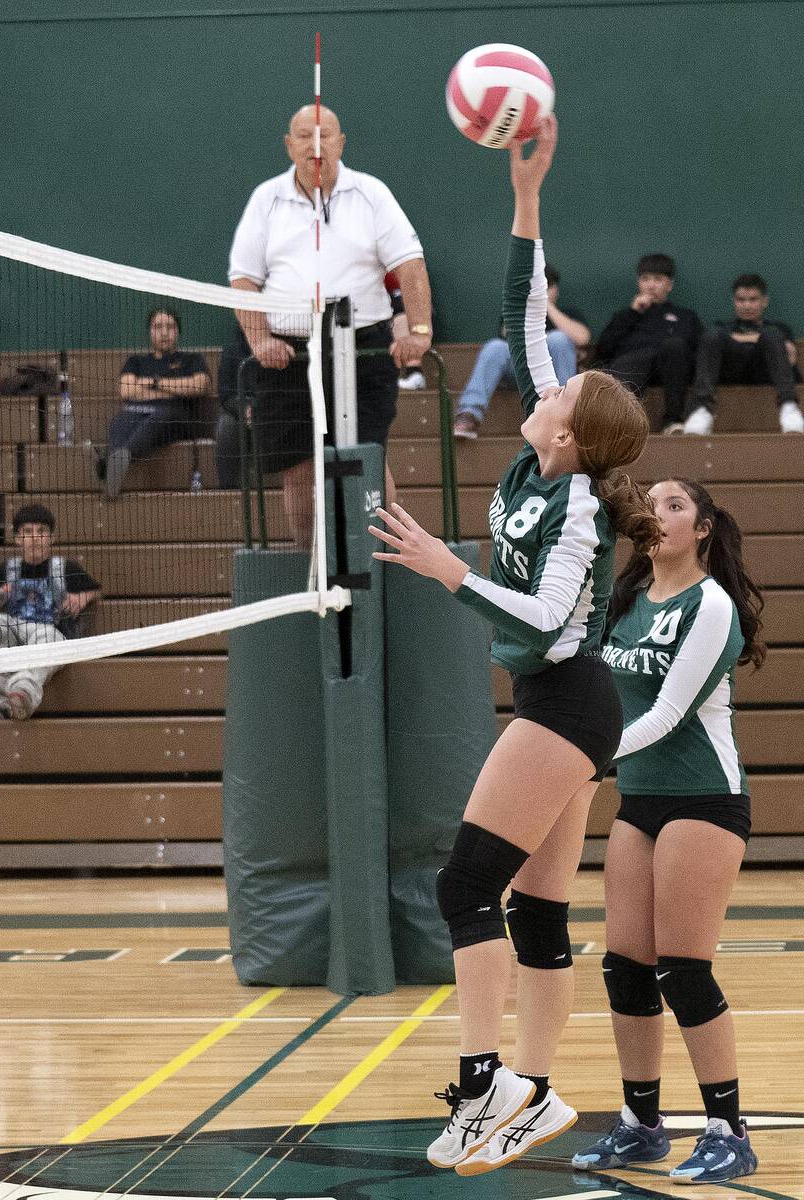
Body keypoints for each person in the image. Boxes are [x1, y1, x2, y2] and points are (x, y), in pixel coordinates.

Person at [370, 116, 660, 1176]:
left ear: (572, 433)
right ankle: (534, 1097)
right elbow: (518, 311)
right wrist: (526, 195)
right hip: (558, 707)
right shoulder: (543, 443)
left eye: (567, 392)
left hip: (568, 702)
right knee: (536, 908)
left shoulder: (577, 504)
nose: (554, 383)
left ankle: (484, 1084)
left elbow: (540, 621)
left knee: (463, 888)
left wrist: (445, 569)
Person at [572, 478, 763, 1184]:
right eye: (649, 502)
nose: (658, 511)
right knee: (625, 968)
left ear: (705, 527)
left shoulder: (709, 604)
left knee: (683, 969)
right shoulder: (623, 601)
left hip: (705, 800)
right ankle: (642, 1125)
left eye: (675, 504)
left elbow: (668, 715)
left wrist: (579, 761)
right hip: (641, 799)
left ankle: (728, 1129)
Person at [229, 104, 433, 548]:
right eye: (304, 135)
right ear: (289, 145)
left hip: (363, 347)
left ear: (342, 142)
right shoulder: (265, 199)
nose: (315, 144)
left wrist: (418, 332)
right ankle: (313, 579)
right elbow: (242, 278)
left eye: (325, 134)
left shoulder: (373, 194)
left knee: (368, 463)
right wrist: (260, 339)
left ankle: (388, 565)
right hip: (289, 353)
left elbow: (410, 265)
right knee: (300, 473)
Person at [0, 504, 101, 720]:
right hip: (15, 632)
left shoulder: (66, 568)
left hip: (48, 633)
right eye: (28, 532)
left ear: (51, 538)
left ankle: (23, 693)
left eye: (41, 532)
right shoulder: (6, 570)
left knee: (47, 637)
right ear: (18, 539)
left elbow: (96, 591)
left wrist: (82, 597)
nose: (35, 538)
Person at [454, 264, 590, 439]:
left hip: (553, 376)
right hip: (522, 371)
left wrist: (547, 306)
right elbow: (510, 338)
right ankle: (469, 414)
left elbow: (582, 338)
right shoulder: (516, 312)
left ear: (554, 289)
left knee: (559, 339)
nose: (540, 292)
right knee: (494, 347)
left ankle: (566, 416)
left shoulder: (568, 313)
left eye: (546, 287)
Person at [98, 308, 210, 497]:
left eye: (170, 327)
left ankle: (107, 466)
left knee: (160, 416)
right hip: (138, 412)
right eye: (158, 327)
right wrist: (175, 389)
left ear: (178, 331)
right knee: (120, 421)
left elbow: (199, 386)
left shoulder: (193, 359)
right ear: (150, 331)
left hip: (177, 417)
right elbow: (127, 391)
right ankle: (114, 469)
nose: (164, 332)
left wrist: (154, 382)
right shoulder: (136, 361)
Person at [593, 253, 702, 433]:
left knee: (674, 345)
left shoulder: (685, 316)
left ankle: (672, 422)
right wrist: (633, 313)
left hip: (669, 371)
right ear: (639, 283)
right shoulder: (624, 316)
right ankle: (622, 424)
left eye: (658, 279)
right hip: (632, 369)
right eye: (645, 279)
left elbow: (695, 354)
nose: (651, 285)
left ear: (669, 285)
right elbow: (603, 351)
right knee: (631, 361)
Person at [684, 274, 803, 435]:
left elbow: (790, 366)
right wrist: (752, 340)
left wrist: (741, 340)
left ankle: (789, 408)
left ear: (764, 301)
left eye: (753, 300)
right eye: (741, 300)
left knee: (773, 334)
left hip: (765, 373)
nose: (747, 306)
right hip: (729, 373)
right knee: (712, 335)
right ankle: (701, 409)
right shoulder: (720, 327)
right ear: (734, 301)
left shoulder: (779, 329)